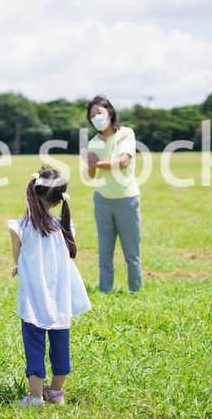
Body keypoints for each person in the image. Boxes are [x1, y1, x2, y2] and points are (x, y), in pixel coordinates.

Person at [7, 167, 91, 407]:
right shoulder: (65, 226)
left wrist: (21, 266)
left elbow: (19, 256)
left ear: (31, 194)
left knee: (34, 344)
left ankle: (35, 398)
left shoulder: (20, 227)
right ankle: (55, 393)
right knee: (60, 342)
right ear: (57, 201)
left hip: (34, 297)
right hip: (60, 297)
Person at [82, 95, 143, 293]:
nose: (96, 117)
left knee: (131, 252)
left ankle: (136, 290)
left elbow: (123, 162)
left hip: (126, 199)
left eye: (99, 112)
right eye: (92, 115)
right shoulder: (93, 143)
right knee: (105, 252)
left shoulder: (126, 134)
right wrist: (90, 165)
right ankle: (105, 290)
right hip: (103, 200)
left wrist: (96, 163)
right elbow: (91, 175)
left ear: (110, 112)